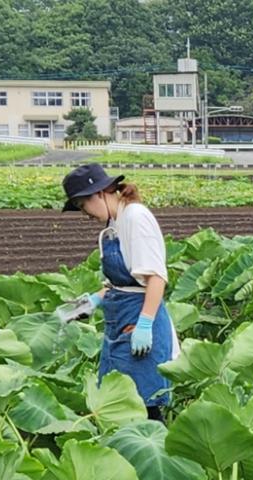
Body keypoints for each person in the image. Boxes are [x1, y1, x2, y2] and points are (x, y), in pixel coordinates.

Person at [60, 163, 178, 419]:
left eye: (83, 206)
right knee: (121, 401)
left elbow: (156, 277)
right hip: (120, 320)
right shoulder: (115, 223)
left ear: (100, 193)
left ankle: (154, 454)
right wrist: (93, 300)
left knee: (142, 402)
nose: (85, 214)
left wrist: (145, 324)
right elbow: (122, 282)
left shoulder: (135, 217)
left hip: (139, 318)